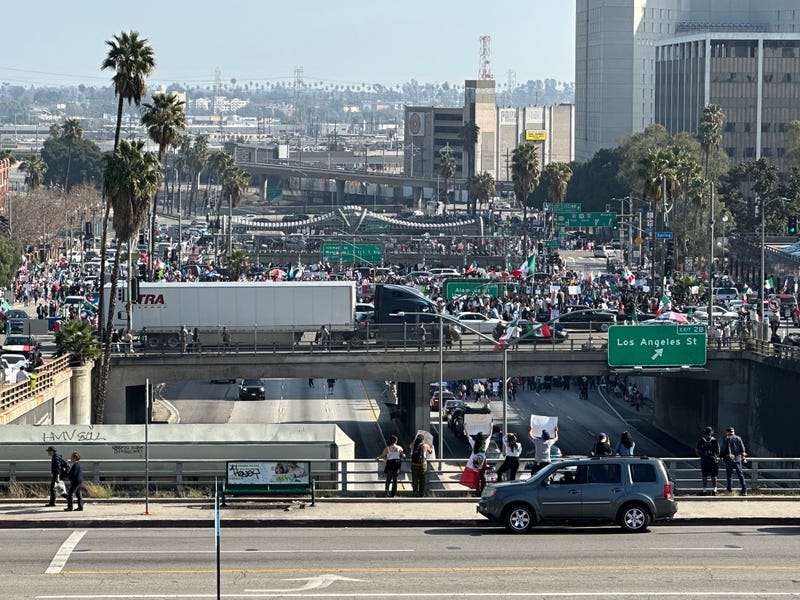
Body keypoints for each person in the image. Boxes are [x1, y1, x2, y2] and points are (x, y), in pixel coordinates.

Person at [719, 426, 748, 495]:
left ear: (727, 432)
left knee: (729, 476)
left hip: (729, 460)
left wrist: (720, 456)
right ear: (733, 432)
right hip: (738, 459)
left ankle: (729, 491)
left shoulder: (726, 439)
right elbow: (743, 448)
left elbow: (723, 449)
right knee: (740, 475)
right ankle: (744, 490)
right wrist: (743, 456)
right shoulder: (738, 438)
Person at [695, 426, 720, 496]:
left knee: (704, 476)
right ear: (711, 433)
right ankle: (714, 490)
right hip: (713, 460)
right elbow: (718, 450)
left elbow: (697, 450)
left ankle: (704, 490)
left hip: (704, 461)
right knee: (714, 476)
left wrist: (700, 456)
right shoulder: (714, 440)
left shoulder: (701, 441)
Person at [468, 431, 489, 496]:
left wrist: (465, 428)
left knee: (476, 477)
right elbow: (489, 436)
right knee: (483, 477)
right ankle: (483, 492)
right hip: (483, 461)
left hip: (476, 461)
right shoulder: (485, 444)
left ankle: (477, 492)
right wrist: (491, 427)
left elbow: (468, 437)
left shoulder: (474, 443)